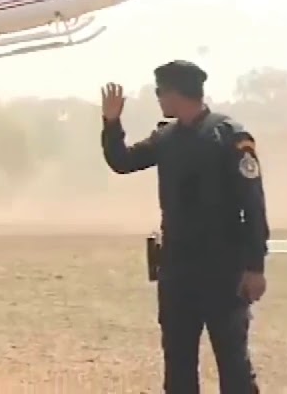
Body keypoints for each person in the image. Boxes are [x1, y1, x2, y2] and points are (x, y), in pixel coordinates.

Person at [101, 60, 269, 394]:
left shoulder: (230, 137)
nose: (158, 98)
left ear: (176, 93)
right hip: (178, 270)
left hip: (223, 269)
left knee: (234, 365)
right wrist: (111, 122)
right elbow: (121, 161)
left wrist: (255, 267)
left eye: (160, 91)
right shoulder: (166, 138)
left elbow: (253, 205)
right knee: (178, 366)